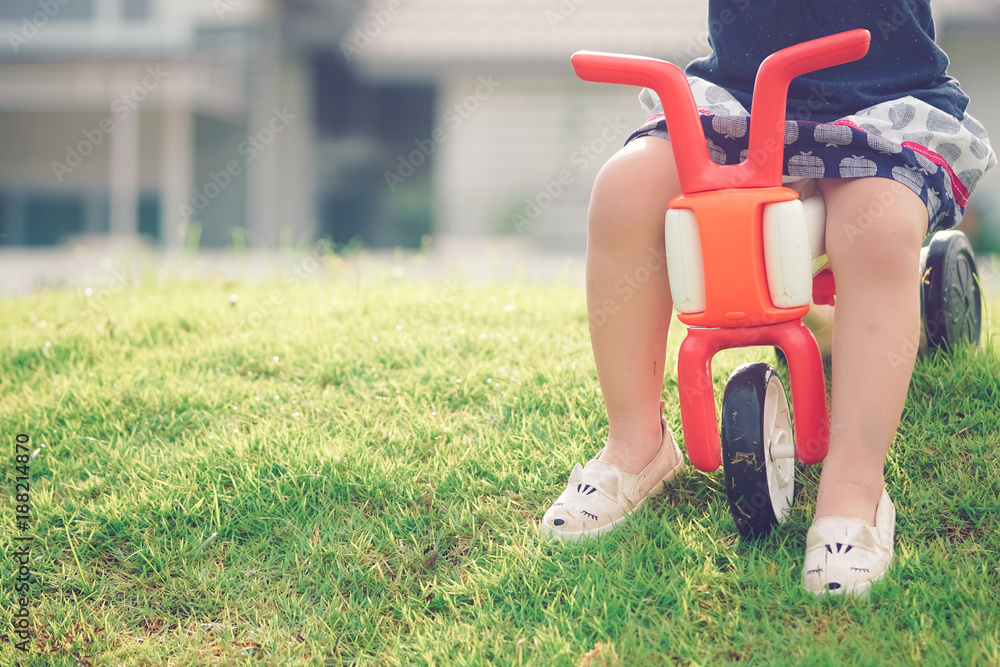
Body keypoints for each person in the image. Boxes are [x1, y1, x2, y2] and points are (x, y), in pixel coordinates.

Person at [540, 0, 996, 596]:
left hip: (881, 104)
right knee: (625, 189)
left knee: (877, 228)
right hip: (741, 100)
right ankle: (635, 442)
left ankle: (854, 482)